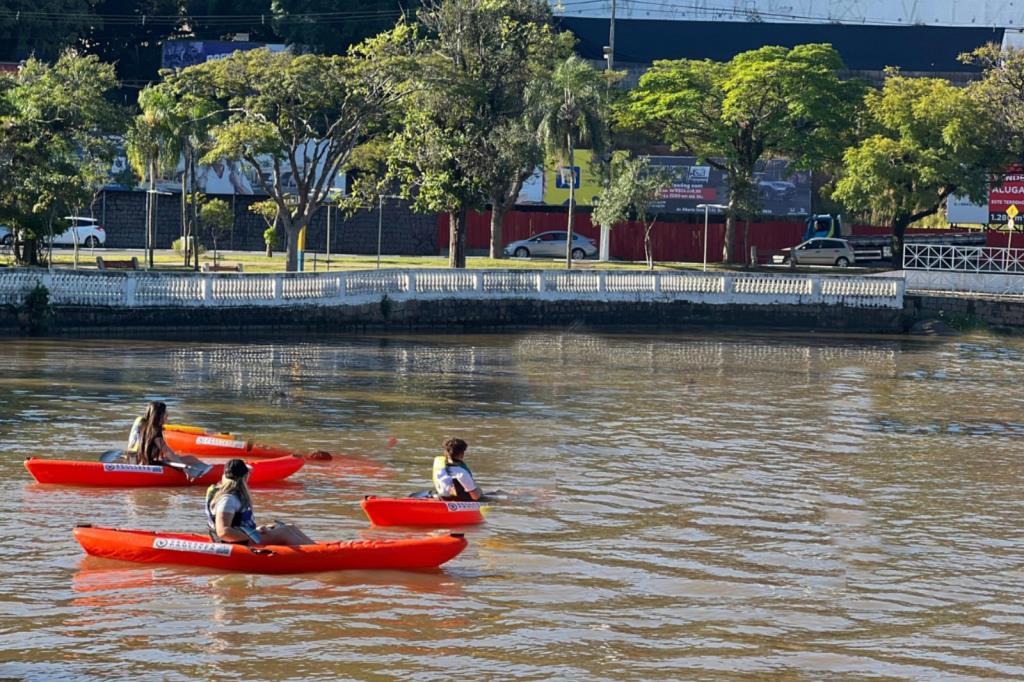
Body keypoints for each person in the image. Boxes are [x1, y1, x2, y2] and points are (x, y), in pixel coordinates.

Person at [205, 458, 314, 546]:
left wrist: (255, 530)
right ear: (244, 477)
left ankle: (317, 548)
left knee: (289, 527)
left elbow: (235, 525)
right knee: (285, 532)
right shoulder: (228, 499)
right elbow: (223, 532)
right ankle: (318, 554)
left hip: (241, 538)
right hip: (236, 543)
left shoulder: (230, 495)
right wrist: (253, 534)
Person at [127, 401, 211, 478]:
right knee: (191, 459)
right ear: (158, 415)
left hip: (133, 462)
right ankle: (211, 472)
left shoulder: (141, 424)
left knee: (176, 457)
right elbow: (167, 451)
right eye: (165, 413)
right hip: (147, 466)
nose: (167, 415)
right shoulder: (155, 431)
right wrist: (183, 467)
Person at [432, 437, 482, 501]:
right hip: (458, 500)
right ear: (462, 454)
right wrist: (479, 491)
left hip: (441, 496)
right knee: (478, 491)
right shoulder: (461, 472)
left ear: (446, 453)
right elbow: (475, 497)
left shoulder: (439, 466)